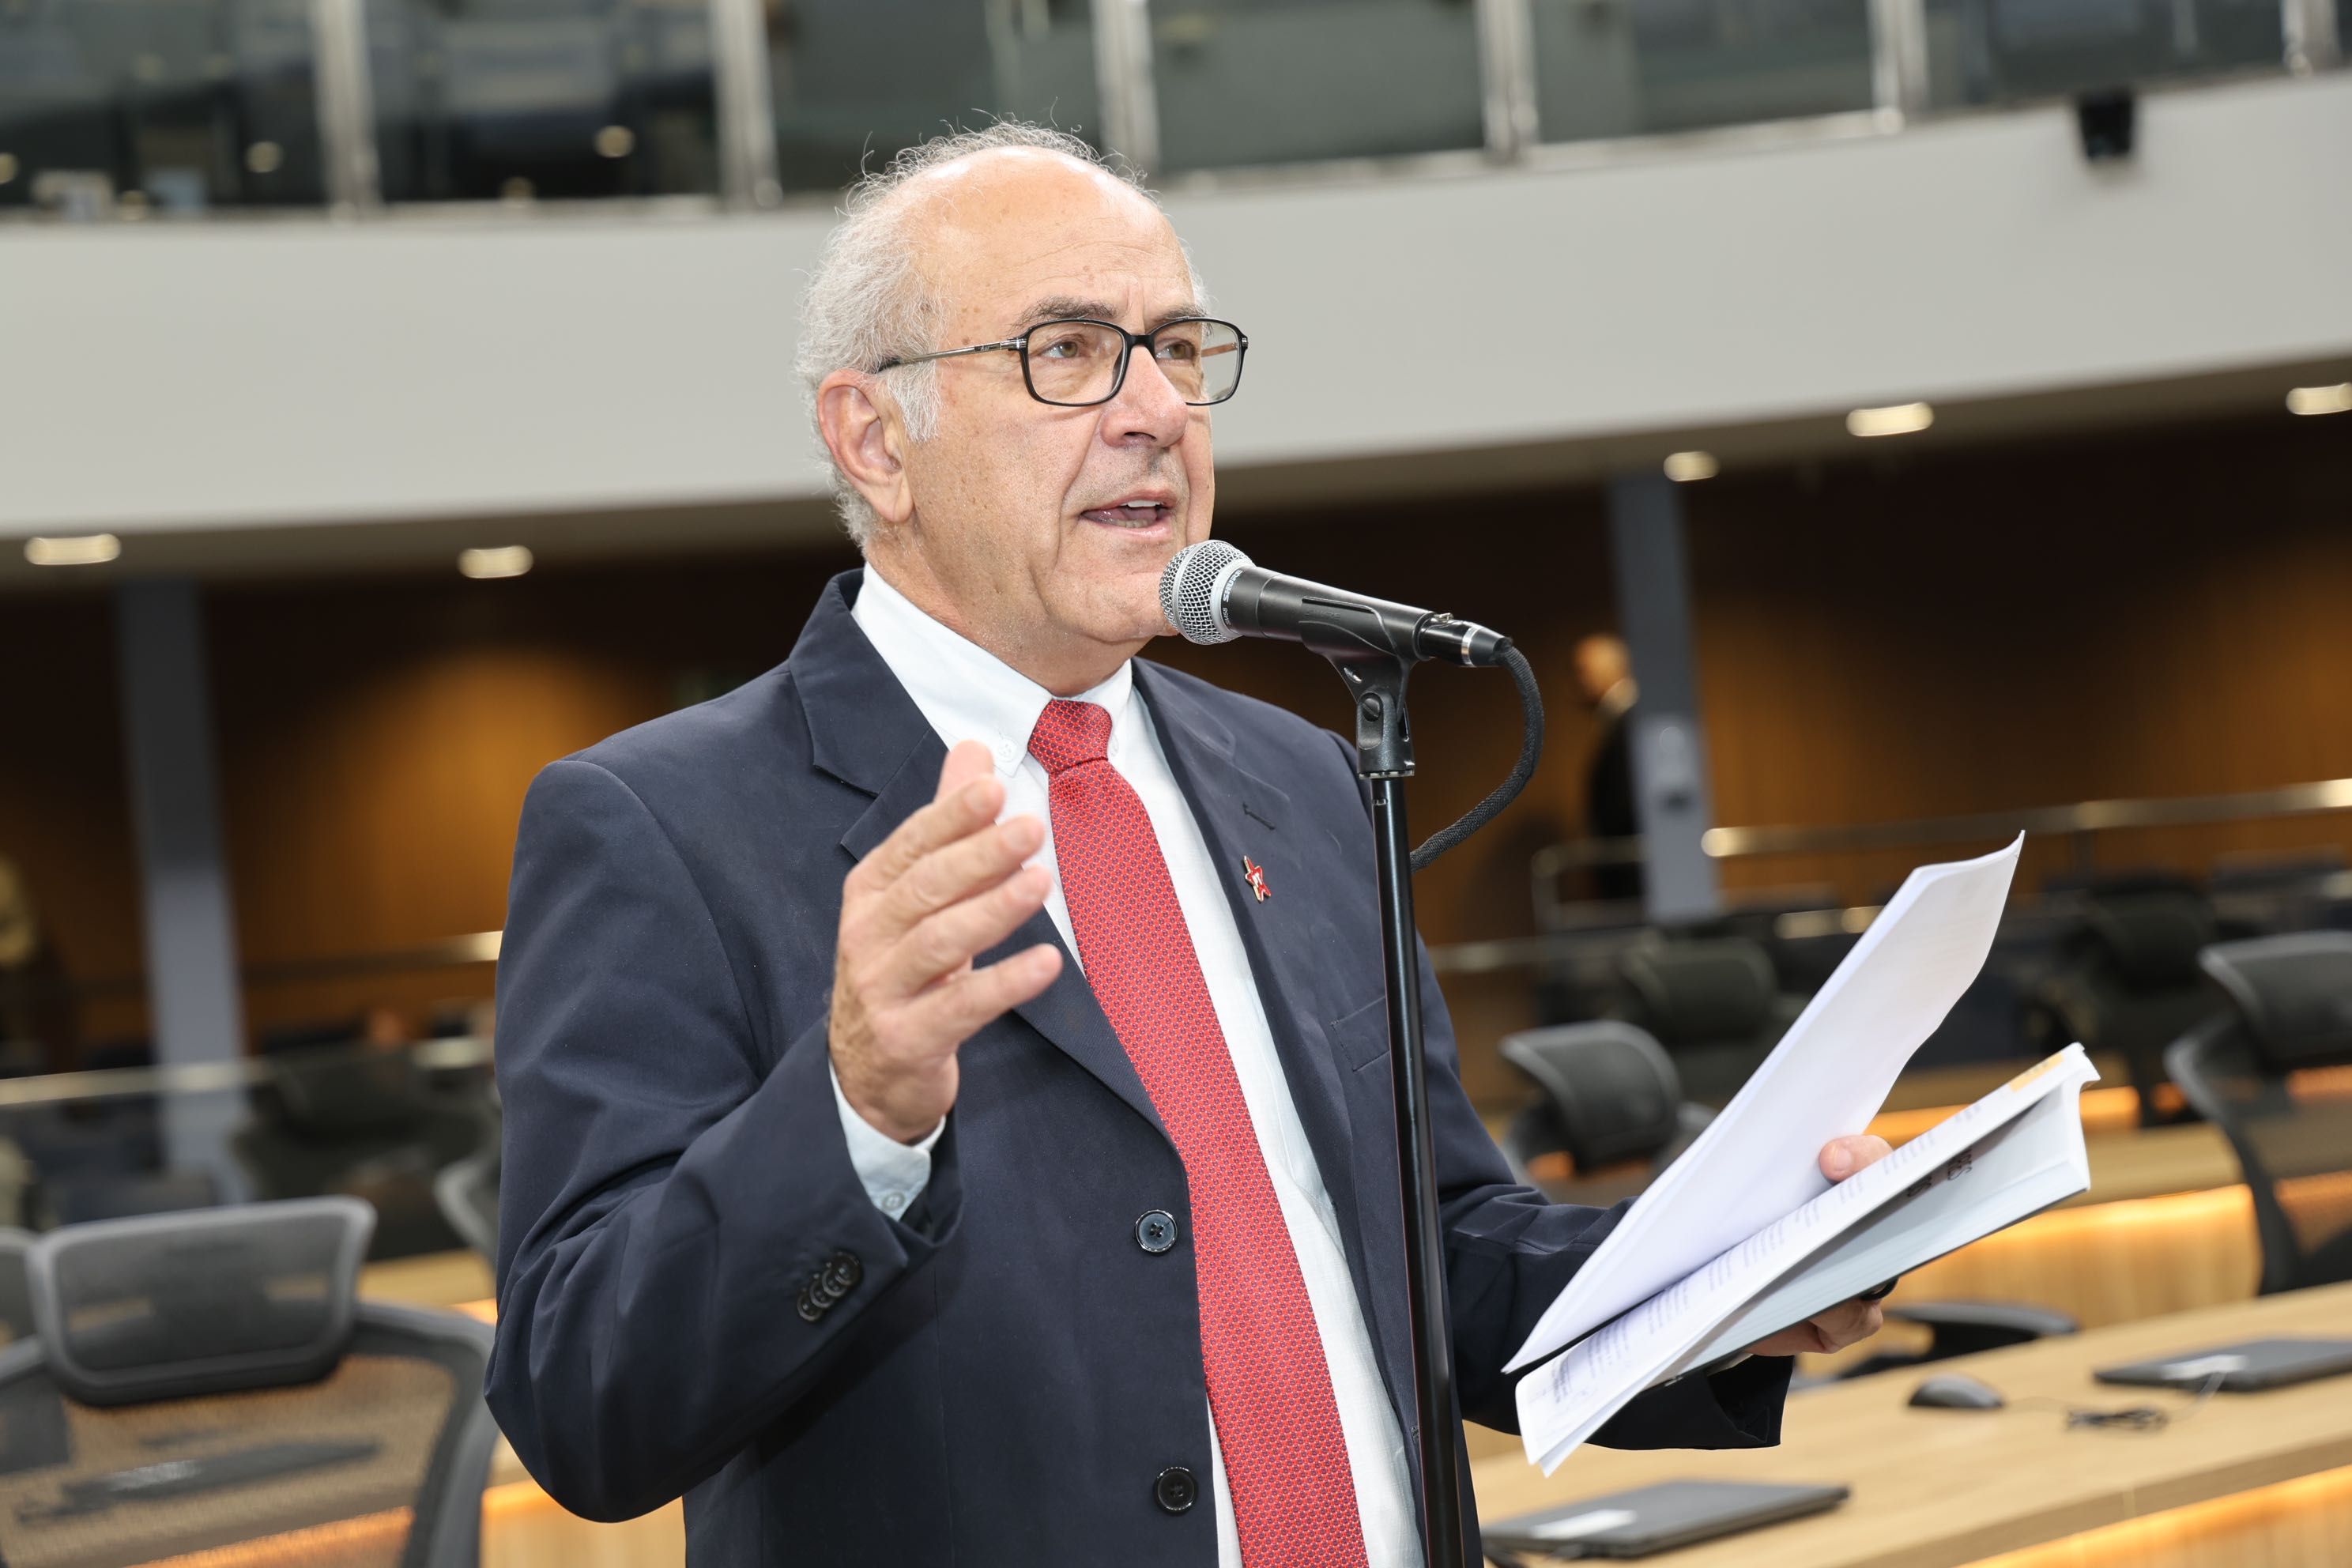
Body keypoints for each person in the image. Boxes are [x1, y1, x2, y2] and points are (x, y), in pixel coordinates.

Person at [485, 124, 1892, 1566]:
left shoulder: (1303, 776)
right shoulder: (661, 824)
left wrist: (1737, 1276)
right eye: (1067, 351)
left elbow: (1441, 1250)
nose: (1156, 408)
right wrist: (852, 1117)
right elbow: (582, 1403)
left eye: (1174, 347)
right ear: (875, 440)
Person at [1574, 632, 1642, 903]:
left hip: (1632, 870)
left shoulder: (1630, 721)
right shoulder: (1618, 720)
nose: (1578, 681)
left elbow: (1623, 805)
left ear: (1612, 669)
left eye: (1583, 670)